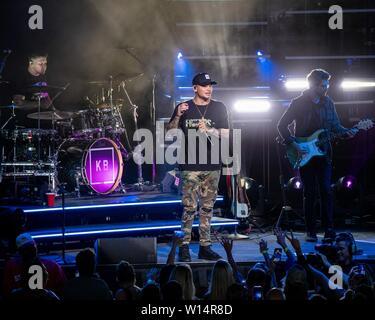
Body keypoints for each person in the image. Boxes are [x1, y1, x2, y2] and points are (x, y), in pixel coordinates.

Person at [277, 69, 358, 242]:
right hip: (304, 151)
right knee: (310, 193)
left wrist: (348, 132)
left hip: (324, 153)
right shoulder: (298, 103)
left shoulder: (328, 103)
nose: (326, 88)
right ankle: (311, 231)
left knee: (326, 191)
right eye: (323, 85)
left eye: (327, 84)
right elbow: (281, 125)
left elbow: (336, 126)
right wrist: (294, 144)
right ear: (312, 85)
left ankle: (329, 230)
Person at [166, 72, 230, 262]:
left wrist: (209, 130)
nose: (208, 88)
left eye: (210, 85)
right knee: (189, 208)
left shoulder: (219, 107)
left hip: (212, 165)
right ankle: (184, 247)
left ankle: (205, 246)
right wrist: (177, 115)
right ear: (195, 88)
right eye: (204, 85)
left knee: (208, 208)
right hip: (190, 165)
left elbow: (226, 135)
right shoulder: (184, 107)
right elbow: (170, 133)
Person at [3, 233, 66, 297]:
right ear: (19, 251)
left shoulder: (53, 266)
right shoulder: (11, 266)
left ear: (35, 246)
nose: (29, 251)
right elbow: (7, 290)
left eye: (31, 247)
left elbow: (62, 289)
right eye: (25, 249)